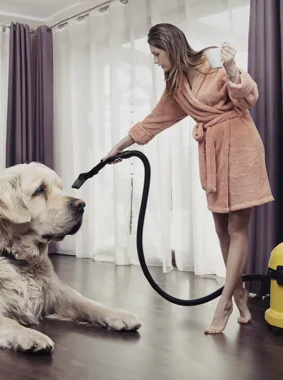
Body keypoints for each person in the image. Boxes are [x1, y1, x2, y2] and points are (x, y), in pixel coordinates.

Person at [104, 23, 274, 334]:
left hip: (240, 147)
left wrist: (233, 68)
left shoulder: (214, 67)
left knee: (237, 227)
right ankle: (239, 296)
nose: (155, 60)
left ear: (170, 47)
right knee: (220, 227)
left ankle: (223, 305)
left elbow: (248, 99)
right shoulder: (178, 86)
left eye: (157, 54)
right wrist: (117, 148)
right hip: (213, 153)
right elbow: (152, 122)